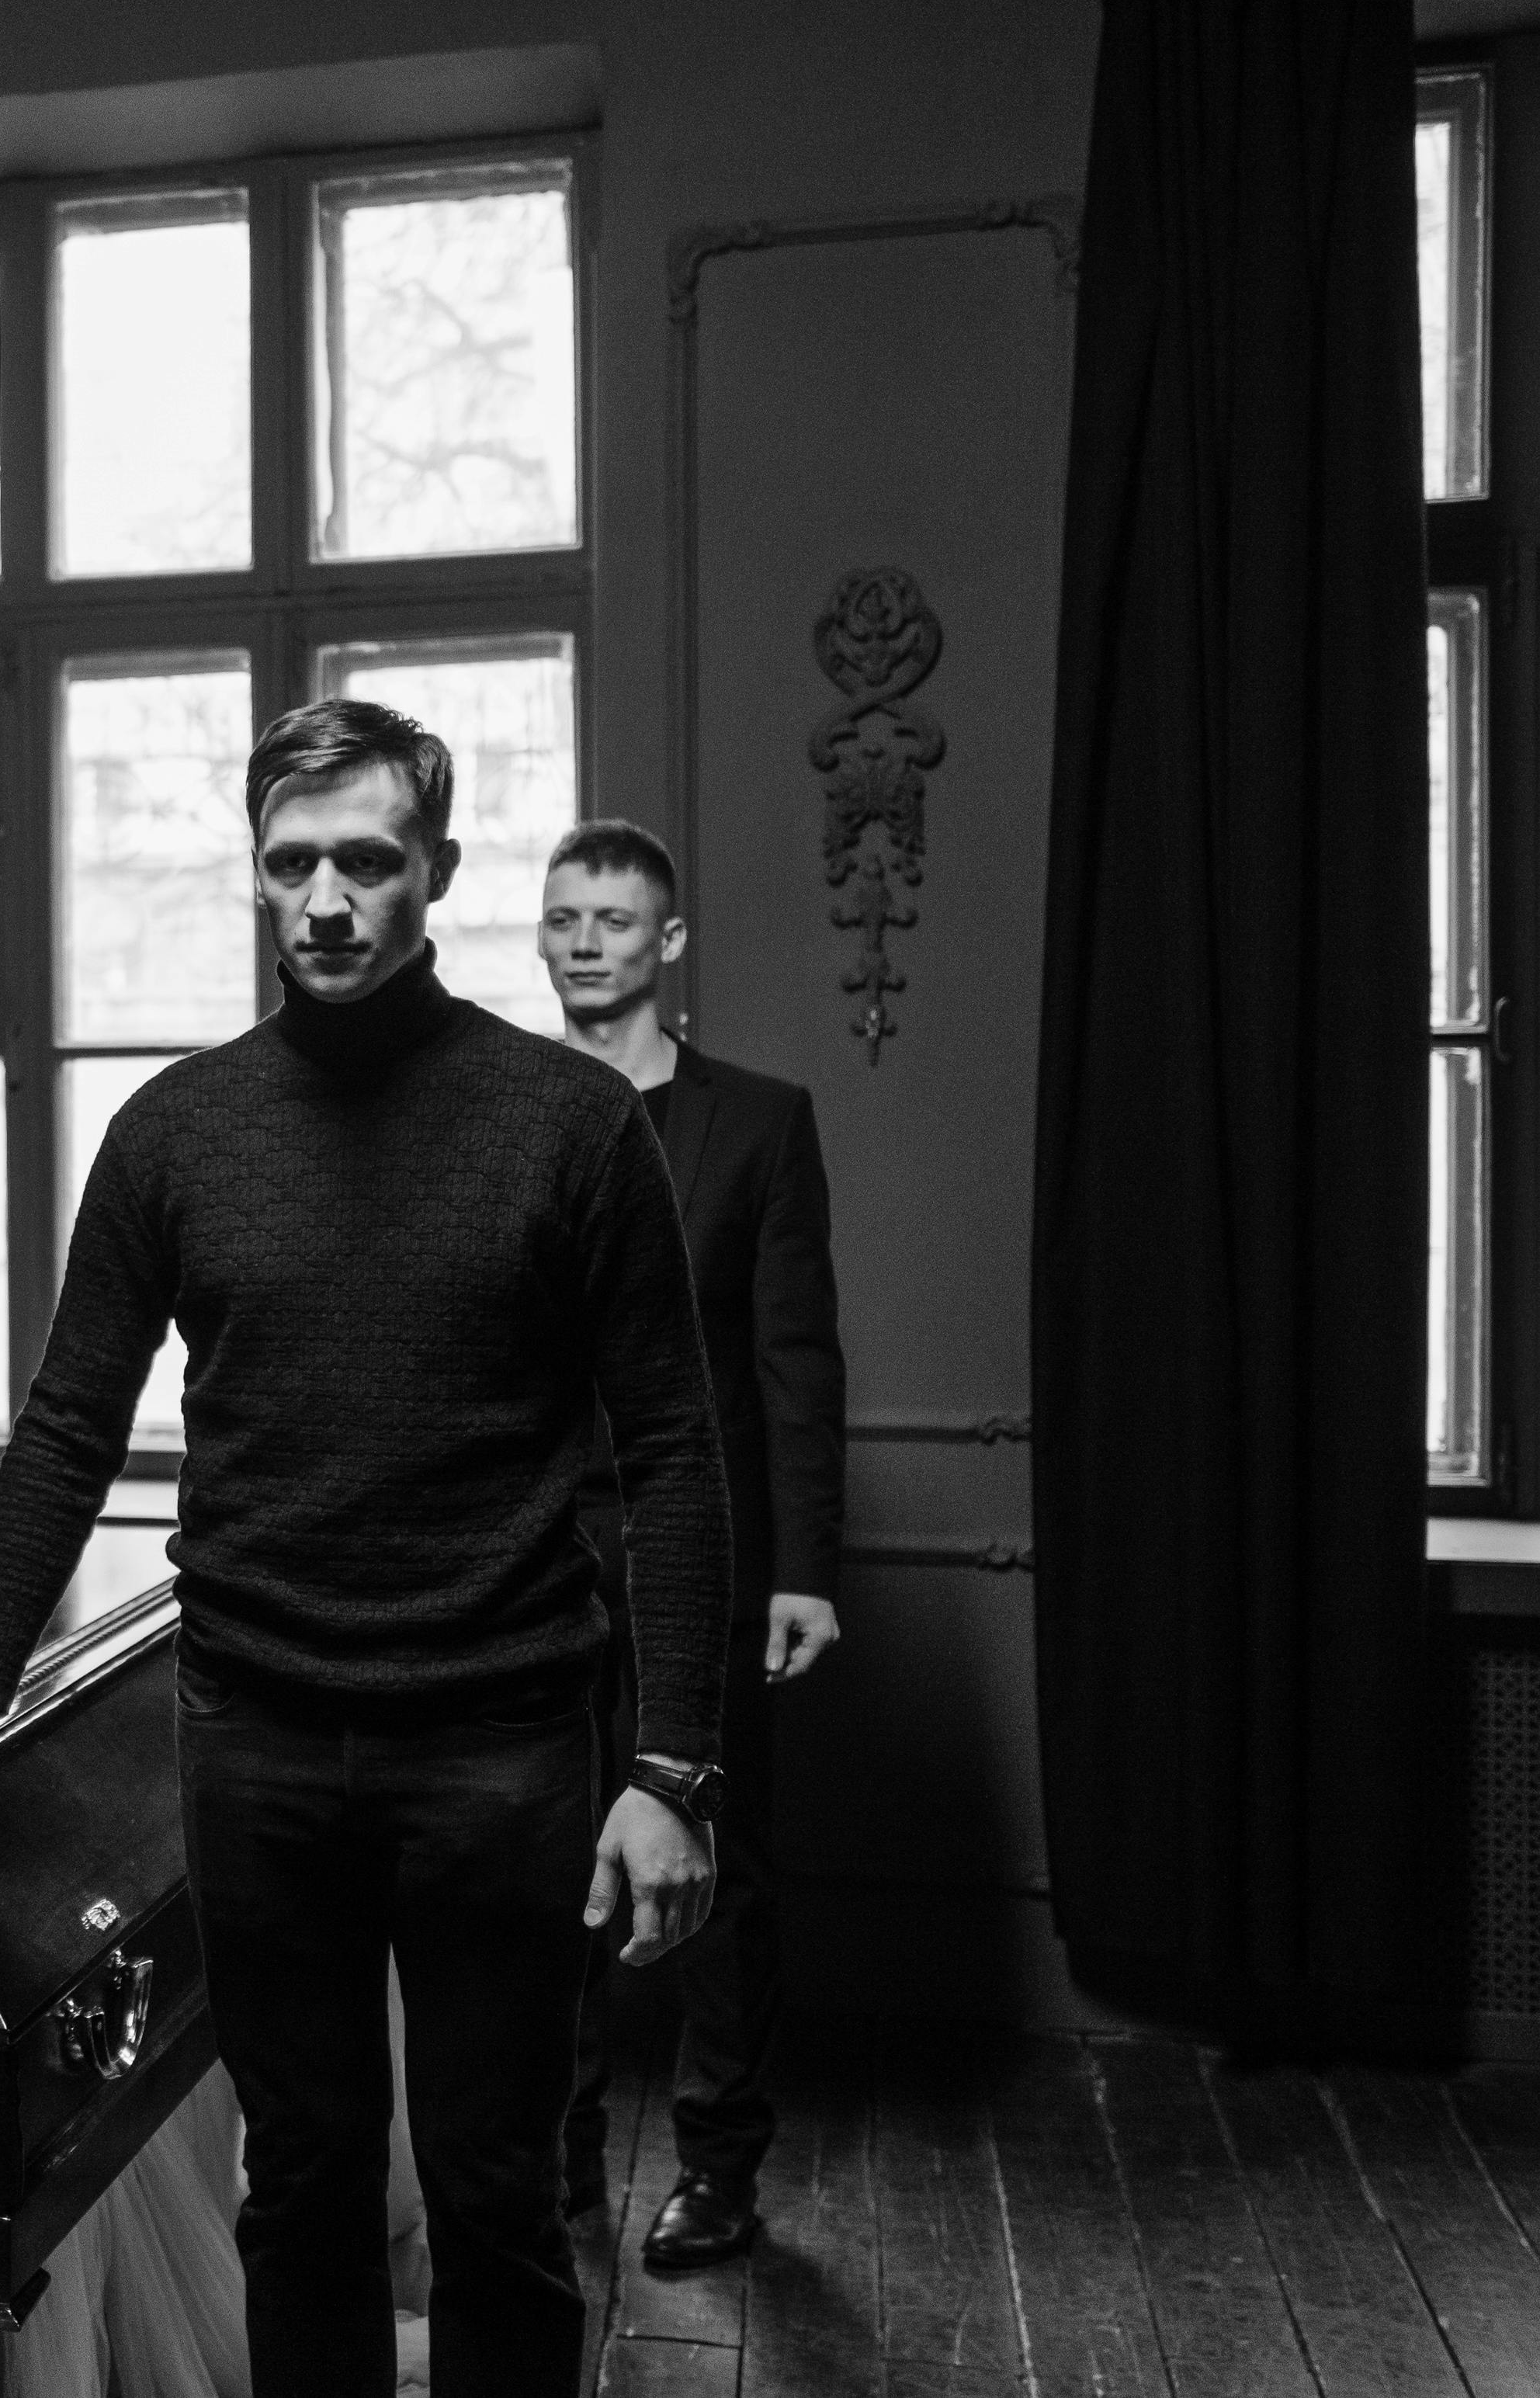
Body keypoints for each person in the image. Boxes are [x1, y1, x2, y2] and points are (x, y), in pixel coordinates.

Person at [0, 701, 735, 2398]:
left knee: (497, 2195)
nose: (326, 897)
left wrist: (674, 1766)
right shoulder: (177, 1129)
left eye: (368, 860)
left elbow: (675, 1452)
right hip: (257, 1745)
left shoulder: (568, 1125)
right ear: (256, 873)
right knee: (298, 2187)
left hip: (506, 1742)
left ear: (438, 873)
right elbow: (72, 1429)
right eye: (292, 860)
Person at [536, 821, 845, 2272]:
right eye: (564, 919)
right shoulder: (504, 1110)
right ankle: (558, 2157)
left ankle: (719, 2170)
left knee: (719, 1867)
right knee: (542, 1862)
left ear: (670, 944)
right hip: (529, 1556)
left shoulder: (763, 1120)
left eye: (614, 919)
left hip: (705, 1548)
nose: (586, 940)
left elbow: (797, 1359)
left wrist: (807, 1567)